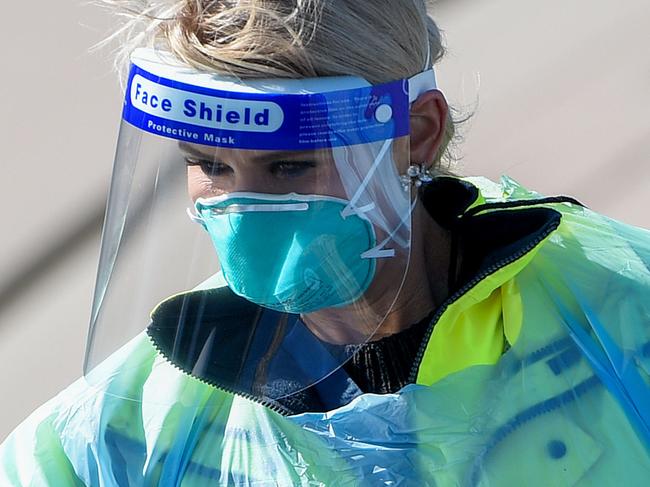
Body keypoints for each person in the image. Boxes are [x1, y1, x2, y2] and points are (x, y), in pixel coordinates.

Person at [1, 0, 649, 485]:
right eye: (211, 166)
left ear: (417, 135)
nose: (246, 209)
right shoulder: (112, 438)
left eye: (289, 167)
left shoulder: (625, 326)